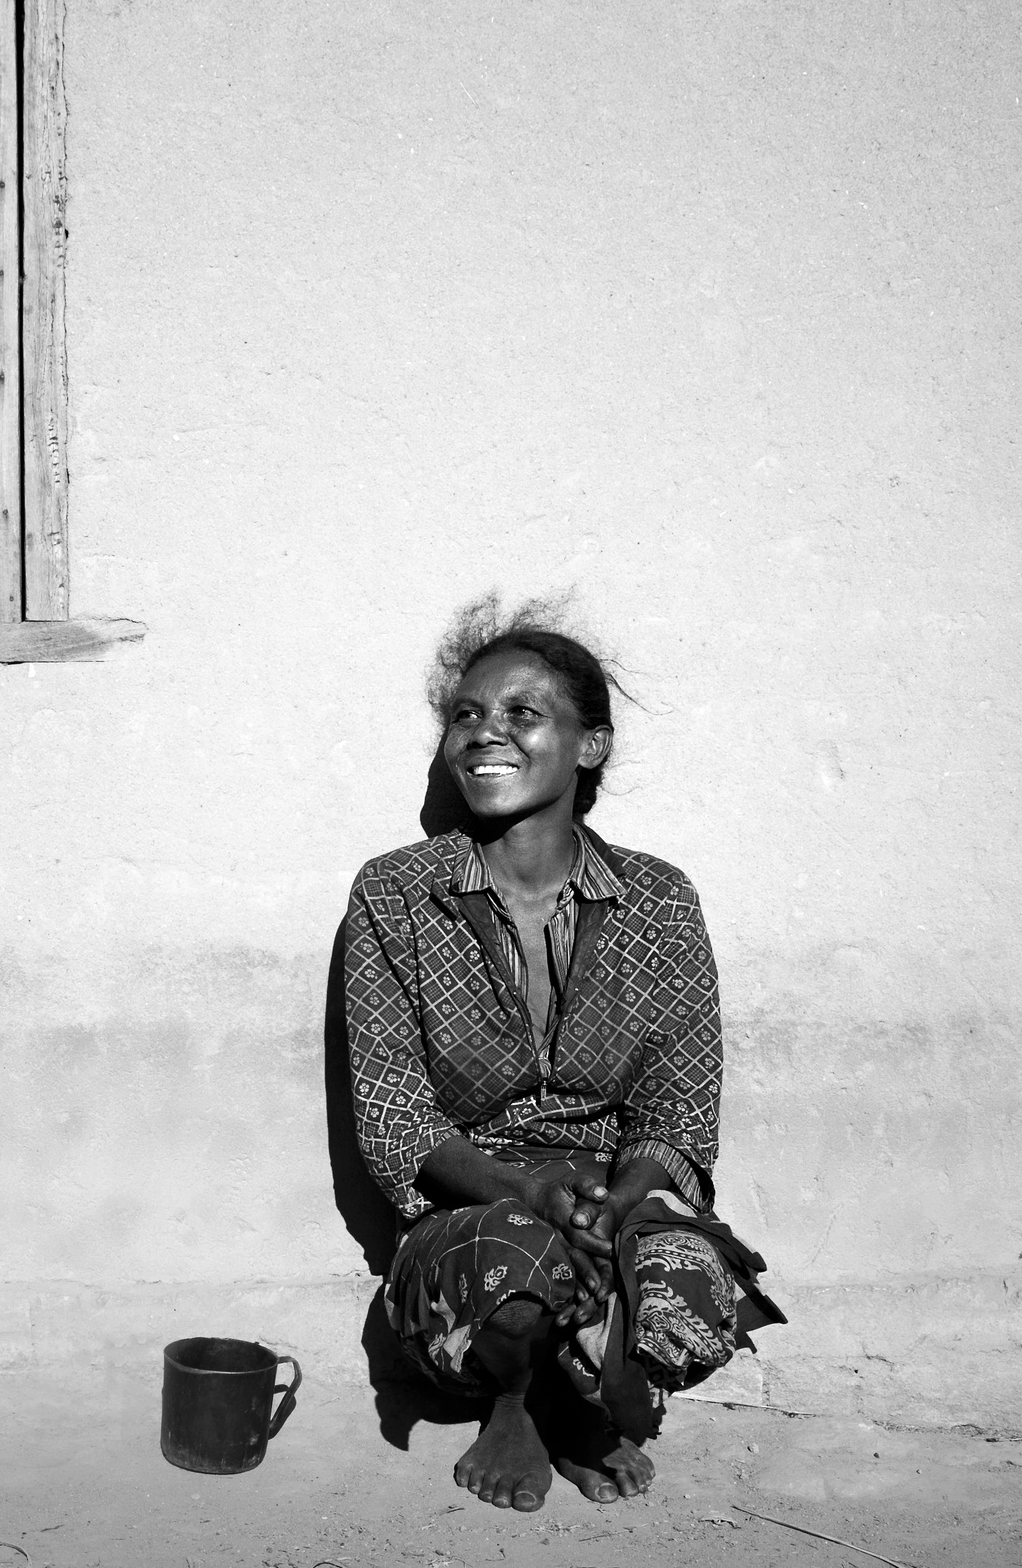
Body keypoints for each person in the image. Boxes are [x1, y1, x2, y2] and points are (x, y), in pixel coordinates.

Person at [340, 598, 780, 1512]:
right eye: (466, 714)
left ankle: (583, 1391)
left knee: (687, 1285)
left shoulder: (659, 900)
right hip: (473, 1208)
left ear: (590, 746)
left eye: (522, 713)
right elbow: (394, 1116)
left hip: (611, 1191)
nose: (483, 734)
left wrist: (615, 1202)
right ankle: (517, 1403)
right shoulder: (396, 894)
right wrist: (527, 1192)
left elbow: (680, 1102)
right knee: (514, 1268)